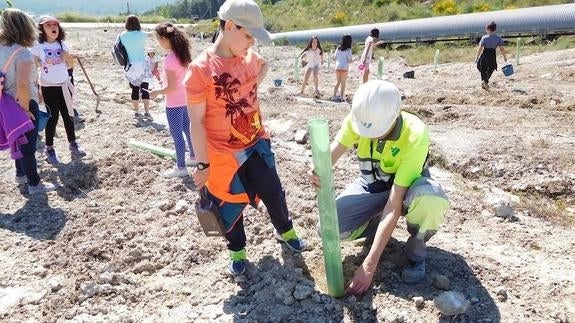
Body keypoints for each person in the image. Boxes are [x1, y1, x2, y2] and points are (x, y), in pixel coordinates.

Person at [184, 0, 307, 276]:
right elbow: (197, 121)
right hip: (220, 155)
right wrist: (202, 165)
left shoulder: (250, 58)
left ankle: (285, 231)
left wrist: (250, 88)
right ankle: (237, 251)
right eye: (249, 35)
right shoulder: (201, 70)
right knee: (228, 205)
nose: (251, 43)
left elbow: (261, 67)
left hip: (255, 143)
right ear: (229, 26)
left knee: (273, 191)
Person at [310, 80, 450, 294]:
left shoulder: (415, 135)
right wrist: (318, 168)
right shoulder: (361, 118)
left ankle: (416, 252)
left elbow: (394, 204)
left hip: (406, 193)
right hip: (373, 187)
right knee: (331, 226)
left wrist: (369, 264)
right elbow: (331, 155)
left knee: (430, 198)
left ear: (394, 117)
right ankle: (377, 229)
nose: (368, 136)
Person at [0, 9, 56, 194]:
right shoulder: (22, 53)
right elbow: (23, 85)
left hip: (5, 103)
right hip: (21, 102)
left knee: (17, 139)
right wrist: (25, 110)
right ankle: (34, 184)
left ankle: (20, 175)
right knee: (28, 146)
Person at [31, 15, 86, 165]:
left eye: (55, 24)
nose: (53, 27)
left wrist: (67, 56)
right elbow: (34, 69)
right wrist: (36, 88)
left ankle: (73, 143)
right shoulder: (38, 46)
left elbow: (70, 66)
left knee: (68, 115)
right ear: (42, 28)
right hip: (48, 87)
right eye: (48, 25)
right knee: (52, 117)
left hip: (64, 84)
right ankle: (49, 148)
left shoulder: (62, 44)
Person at [148, 23, 195, 178]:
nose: (158, 43)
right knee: (187, 130)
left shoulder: (169, 59)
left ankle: (181, 167)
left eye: (158, 40)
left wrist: (156, 92)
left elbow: (171, 88)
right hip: (185, 99)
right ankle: (193, 157)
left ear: (164, 39)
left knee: (177, 136)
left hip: (174, 103)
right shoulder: (183, 54)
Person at [119, 15, 152, 119]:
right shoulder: (142, 34)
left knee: (134, 89)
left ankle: (137, 112)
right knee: (145, 89)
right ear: (138, 23)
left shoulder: (122, 35)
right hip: (142, 64)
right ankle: (147, 112)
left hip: (130, 66)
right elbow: (154, 34)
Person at [474, 21, 508, 90]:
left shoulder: (484, 38)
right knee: (492, 68)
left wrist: (476, 57)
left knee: (481, 67)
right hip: (492, 55)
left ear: (488, 30)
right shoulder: (498, 38)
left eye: (486, 29)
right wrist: (504, 57)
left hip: (485, 55)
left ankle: (484, 82)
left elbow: (480, 48)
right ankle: (485, 82)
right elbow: (502, 49)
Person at [331, 34, 353, 102]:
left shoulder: (338, 48)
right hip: (344, 68)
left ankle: (334, 96)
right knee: (343, 82)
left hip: (337, 67)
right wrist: (353, 60)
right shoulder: (349, 50)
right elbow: (349, 60)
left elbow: (334, 58)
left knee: (338, 82)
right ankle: (342, 97)